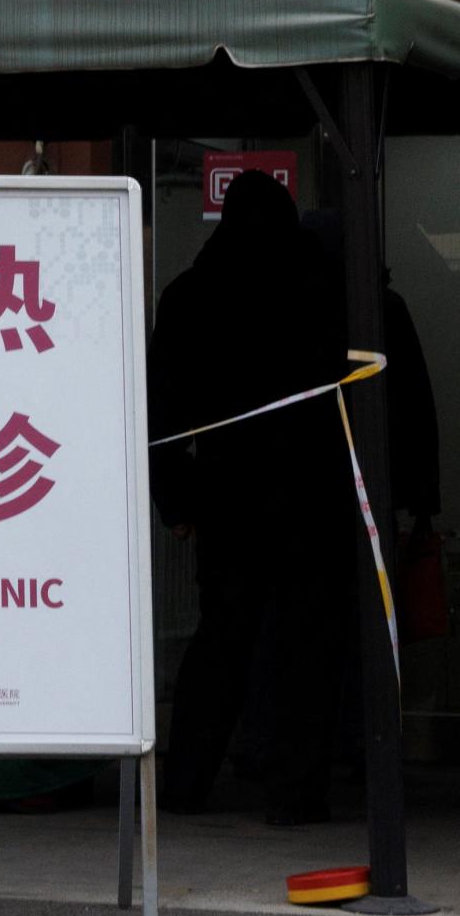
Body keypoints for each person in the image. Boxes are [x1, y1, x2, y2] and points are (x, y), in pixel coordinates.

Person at [150, 169, 351, 822]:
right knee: (306, 648)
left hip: (228, 496)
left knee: (220, 644)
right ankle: (295, 796)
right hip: (311, 495)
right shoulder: (320, 285)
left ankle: (184, 785)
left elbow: (163, 409)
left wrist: (176, 500)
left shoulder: (192, 293)